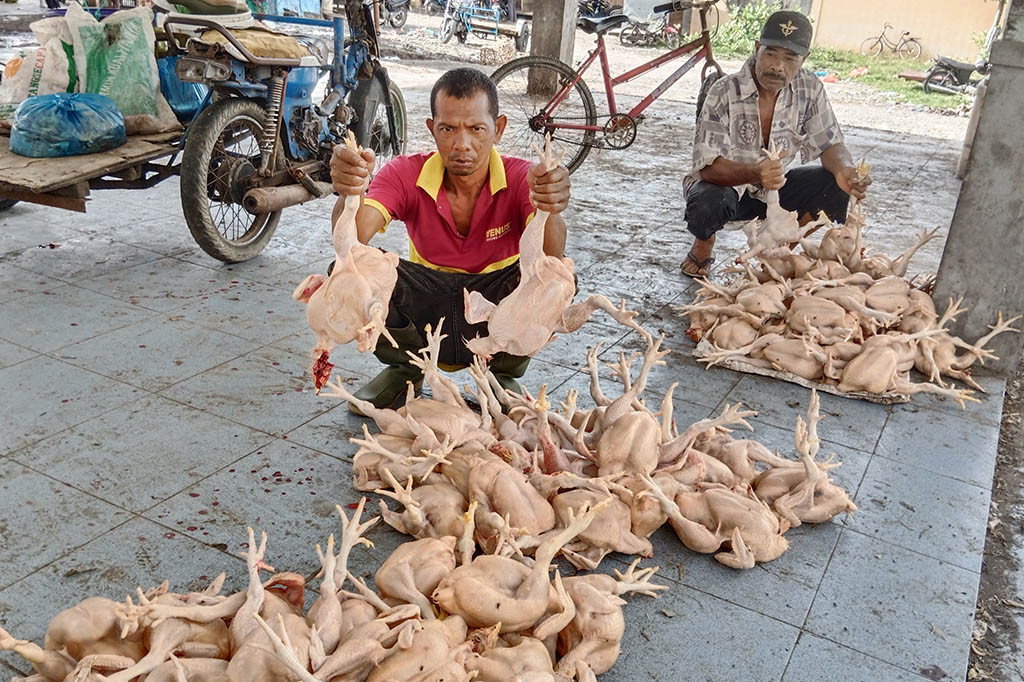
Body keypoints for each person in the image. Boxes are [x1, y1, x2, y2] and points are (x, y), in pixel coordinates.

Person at [329, 67, 571, 412]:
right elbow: (352, 240)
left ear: (499, 129)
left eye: (476, 129)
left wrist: (551, 206)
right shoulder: (404, 173)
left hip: (496, 315)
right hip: (426, 308)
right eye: (448, 129)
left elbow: (552, 255)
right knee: (350, 269)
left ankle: (501, 374)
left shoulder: (522, 178)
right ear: (432, 129)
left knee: (557, 278)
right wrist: (349, 192)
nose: (462, 144)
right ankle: (405, 369)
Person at [680, 10, 872, 278]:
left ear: (804, 58)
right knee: (708, 202)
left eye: (790, 58)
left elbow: (830, 143)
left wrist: (845, 170)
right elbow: (708, 168)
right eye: (770, 53)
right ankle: (704, 242)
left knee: (835, 186)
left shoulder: (809, 88)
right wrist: (756, 172)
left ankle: (782, 250)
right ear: (757, 48)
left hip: (775, 191)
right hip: (728, 188)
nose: (777, 66)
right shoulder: (724, 91)